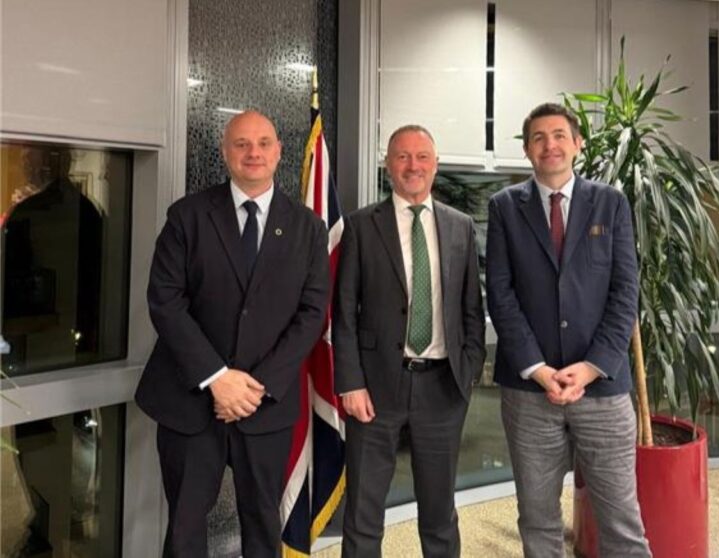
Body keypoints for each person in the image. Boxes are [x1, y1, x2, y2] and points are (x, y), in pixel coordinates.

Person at [135, 110, 329, 557]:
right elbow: (166, 301)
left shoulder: (308, 227)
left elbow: (312, 313)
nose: (253, 153)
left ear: (279, 152)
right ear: (225, 152)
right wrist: (216, 378)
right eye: (241, 144)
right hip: (190, 401)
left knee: (263, 524)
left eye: (263, 143)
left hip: (266, 405)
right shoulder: (187, 216)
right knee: (184, 526)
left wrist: (255, 387)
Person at [486, 103, 651, 558]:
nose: (550, 145)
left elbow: (625, 293)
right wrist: (538, 369)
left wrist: (592, 366)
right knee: (537, 520)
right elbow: (500, 295)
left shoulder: (611, 203)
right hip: (530, 393)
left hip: (602, 388)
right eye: (538, 137)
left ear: (578, 143)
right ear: (526, 150)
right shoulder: (504, 208)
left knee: (622, 521)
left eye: (559, 135)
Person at [333, 125, 486, 558]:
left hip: (442, 387)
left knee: (440, 513)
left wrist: (468, 372)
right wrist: (350, 382)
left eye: (422, 157)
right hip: (375, 388)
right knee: (363, 512)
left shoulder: (459, 226)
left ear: (435, 165)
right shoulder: (362, 225)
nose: (412, 165)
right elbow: (344, 311)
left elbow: (470, 308)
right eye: (402, 156)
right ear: (388, 165)